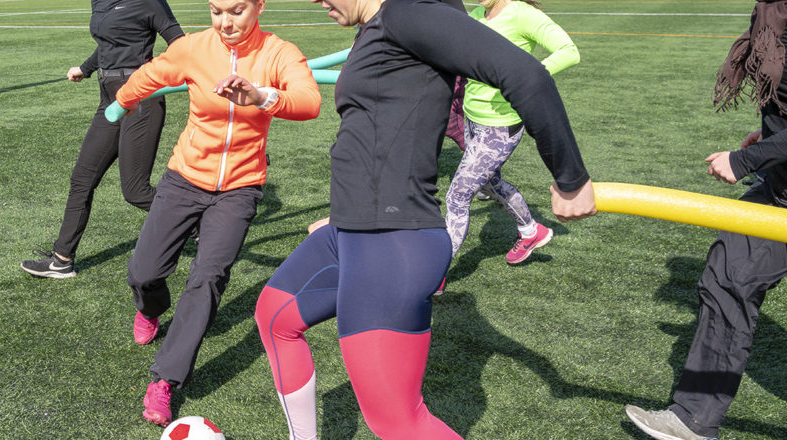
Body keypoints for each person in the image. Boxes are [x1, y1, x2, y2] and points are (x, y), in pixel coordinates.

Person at [253, 0, 596, 438]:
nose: (318, 0)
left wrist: (571, 178)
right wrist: (344, 212)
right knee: (275, 316)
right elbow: (379, 131)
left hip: (391, 239)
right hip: (354, 228)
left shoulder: (407, 13)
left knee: (396, 421)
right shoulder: (383, 25)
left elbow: (525, 73)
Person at [625, 0, 787, 439]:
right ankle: (693, 419)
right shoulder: (778, 11)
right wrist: (773, 133)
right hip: (783, 183)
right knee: (728, 276)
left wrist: (747, 159)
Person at [112, 0, 322, 426]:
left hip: (241, 188)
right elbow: (152, 74)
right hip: (185, 178)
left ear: (258, 7)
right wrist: (121, 102)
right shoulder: (194, 48)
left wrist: (260, 95)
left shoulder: (278, 52)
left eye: (237, 10)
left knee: (208, 277)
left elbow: (309, 101)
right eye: (216, 10)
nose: (225, 22)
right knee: (144, 272)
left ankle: (166, 380)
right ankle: (150, 308)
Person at [20, 0, 184, 279]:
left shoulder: (148, 2)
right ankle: (62, 260)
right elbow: (110, 42)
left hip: (141, 98)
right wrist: (86, 68)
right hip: (109, 99)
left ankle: (197, 225)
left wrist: (153, 73)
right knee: (82, 179)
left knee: (135, 191)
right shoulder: (101, 2)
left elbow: (180, 45)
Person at [445, 0, 580, 265]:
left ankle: (431, 275)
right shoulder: (476, 15)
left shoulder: (522, 15)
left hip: (500, 126)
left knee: (457, 196)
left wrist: (522, 79)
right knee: (489, 183)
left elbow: (568, 51)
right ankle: (531, 232)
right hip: (472, 117)